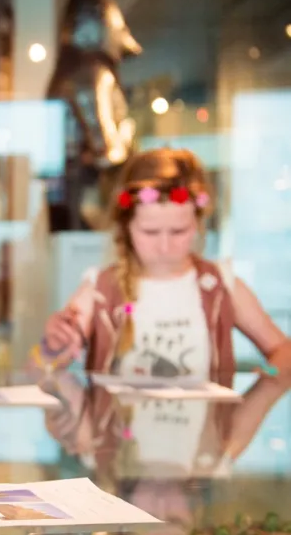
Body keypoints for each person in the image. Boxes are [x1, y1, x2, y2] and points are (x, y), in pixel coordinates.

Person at [39, 148, 291, 379]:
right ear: (126, 227)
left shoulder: (221, 285)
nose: (164, 246)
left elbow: (284, 351)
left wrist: (265, 384)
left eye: (179, 231)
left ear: (198, 225)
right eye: (150, 232)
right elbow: (37, 371)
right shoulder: (101, 289)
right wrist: (51, 347)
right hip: (123, 430)